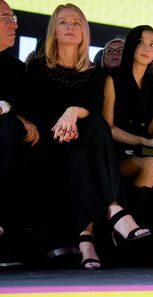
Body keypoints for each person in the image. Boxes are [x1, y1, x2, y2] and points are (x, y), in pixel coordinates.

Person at [21, 4, 151, 270]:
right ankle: (114, 211)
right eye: (64, 22)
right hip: (47, 145)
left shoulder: (94, 73)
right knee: (93, 131)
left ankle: (86, 238)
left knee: (93, 130)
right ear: (54, 31)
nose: (70, 27)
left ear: (84, 33)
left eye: (76, 23)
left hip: (81, 145)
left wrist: (72, 112)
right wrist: (66, 119)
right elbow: (35, 113)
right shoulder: (35, 68)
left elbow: (91, 106)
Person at [103, 25, 153, 228]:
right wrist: (146, 141)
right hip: (114, 154)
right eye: (141, 43)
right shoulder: (112, 79)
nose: (147, 48)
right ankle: (130, 231)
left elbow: (152, 132)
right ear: (131, 46)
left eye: (152, 45)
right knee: (151, 164)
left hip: (143, 151)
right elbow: (107, 127)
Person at [0, 0, 39, 267]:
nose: (14, 23)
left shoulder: (15, 68)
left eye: (13, 17)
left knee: (18, 132)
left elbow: (20, 106)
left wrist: (16, 115)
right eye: (5, 18)